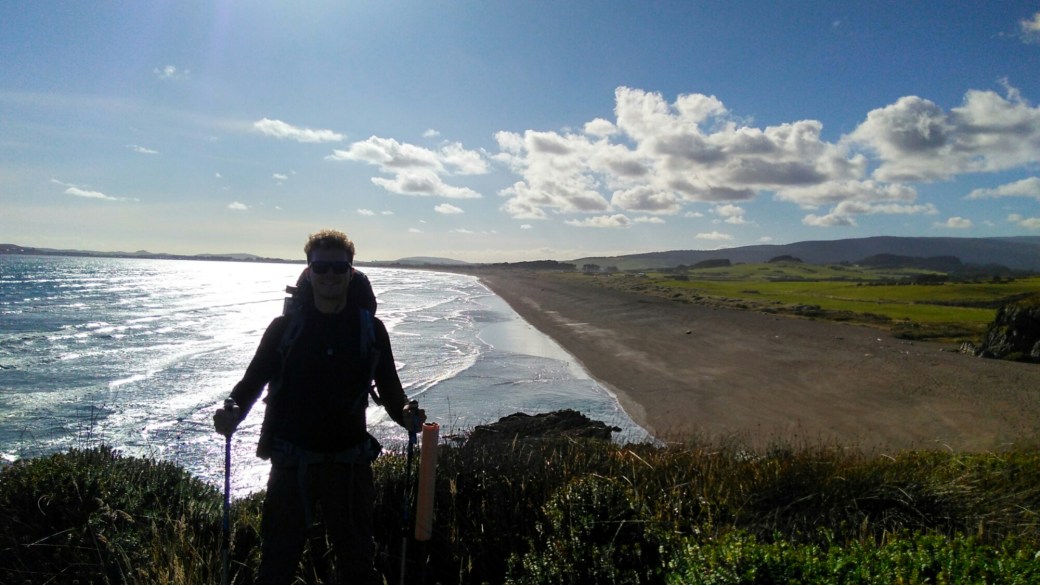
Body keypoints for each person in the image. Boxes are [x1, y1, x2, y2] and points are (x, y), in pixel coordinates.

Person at [214, 229, 424, 584]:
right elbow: (252, 382)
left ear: (351, 272)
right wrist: (233, 411)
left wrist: (406, 414)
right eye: (321, 267)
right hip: (292, 463)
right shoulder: (283, 329)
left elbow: (390, 390)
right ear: (308, 271)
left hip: (350, 465)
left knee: (357, 564)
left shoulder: (371, 329)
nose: (329, 275)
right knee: (277, 565)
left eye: (338, 268)